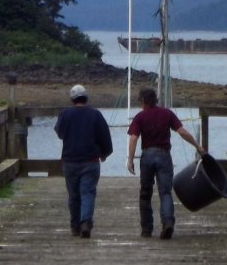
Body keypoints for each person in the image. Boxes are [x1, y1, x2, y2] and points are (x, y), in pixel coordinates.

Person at [126, 87, 204, 239]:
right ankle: (168, 222)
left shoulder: (140, 117)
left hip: (147, 155)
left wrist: (130, 160)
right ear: (155, 99)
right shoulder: (167, 113)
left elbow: (134, 138)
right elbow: (182, 132)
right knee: (165, 192)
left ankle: (146, 229)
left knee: (145, 193)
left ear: (143, 100)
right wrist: (198, 146)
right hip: (164, 155)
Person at [54, 84, 113, 238]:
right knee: (87, 192)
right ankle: (85, 222)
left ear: (72, 99)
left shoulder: (64, 115)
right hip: (91, 160)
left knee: (73, 195)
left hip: (70, 160)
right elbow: (104, 136)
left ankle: (75, 226)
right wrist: (105, 153)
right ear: (85, 97)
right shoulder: (95, 115)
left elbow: (59, 133)